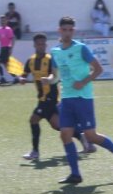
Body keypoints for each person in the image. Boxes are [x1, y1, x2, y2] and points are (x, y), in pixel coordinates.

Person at [51, 16, 113, 185]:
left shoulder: (81, 49)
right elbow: (55, 76)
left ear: (74, 31)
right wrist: (48, 79)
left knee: (91, 136)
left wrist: (83, 82)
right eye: (64, 29)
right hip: (66, 98)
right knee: (65, 134)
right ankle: (75, 174)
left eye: (70, 30)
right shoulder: (55, 52)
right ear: (59, 30)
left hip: (83, 98)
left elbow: (98, 69)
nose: (67, 33)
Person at [19, 32, 93, 161]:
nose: (41, 46)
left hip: (50, 97)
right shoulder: (30, 61)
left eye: (43, 44)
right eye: (38, 44)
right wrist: (21, 79)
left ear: (46, 44)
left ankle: (35, 152)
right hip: (42, 98)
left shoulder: (50, 59)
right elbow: (24, 74)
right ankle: (83, 138)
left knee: (33, 119)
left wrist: (48, 79)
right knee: (58, 125)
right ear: (34, 45)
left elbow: (56, 75)